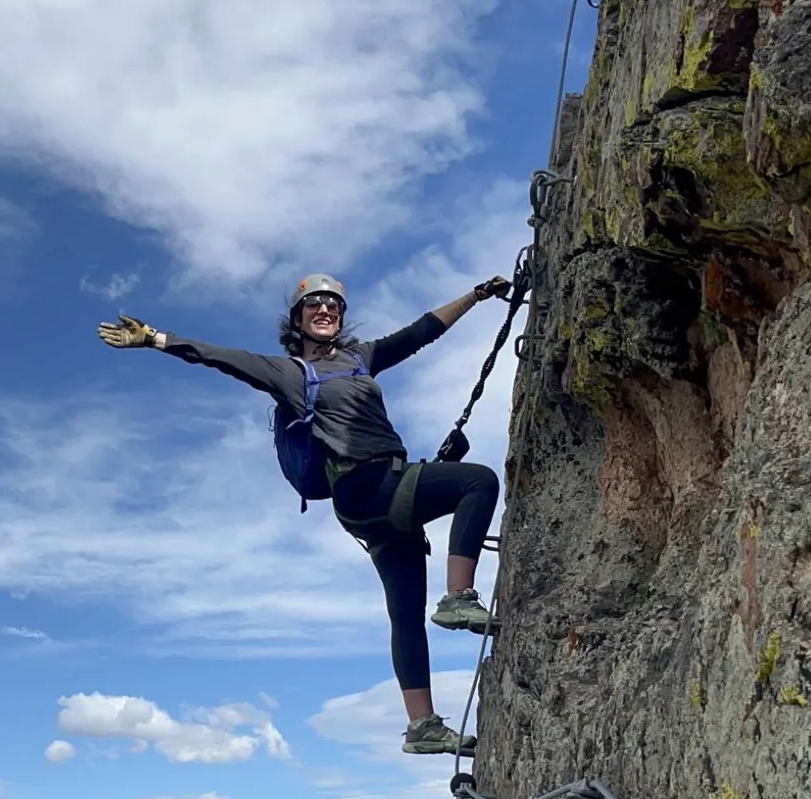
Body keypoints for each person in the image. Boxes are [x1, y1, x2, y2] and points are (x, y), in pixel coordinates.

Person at [98, 273, 508, 755]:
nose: (325, 310)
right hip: (365, 486)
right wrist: (156, 339)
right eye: (314, 304)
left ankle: (422, 726)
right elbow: (223, 358)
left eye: (333, 304)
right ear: (298, 318)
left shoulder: (362, 359)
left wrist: (476, 297)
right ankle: (459, 597)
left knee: (404, 615)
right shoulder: (289, 372)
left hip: (376, 501)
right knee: (476, 481)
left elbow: (420, 333)